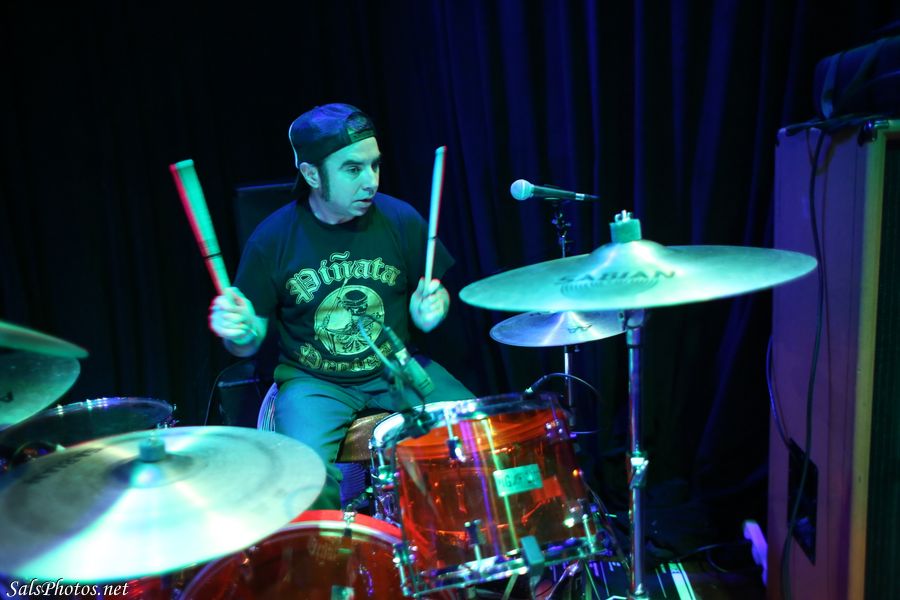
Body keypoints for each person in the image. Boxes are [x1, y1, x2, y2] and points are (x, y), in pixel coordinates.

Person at [208, 103, 472, 509]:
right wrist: (238, 333)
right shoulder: (272, 240)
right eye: (353, 169)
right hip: (315, 382)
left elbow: (433, 297)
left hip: (397, 367)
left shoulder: (401, 220)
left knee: (475, 435)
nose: (371, 181)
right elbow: (247, 341)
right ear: (312, 174)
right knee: (305, 480)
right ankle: (328, 551)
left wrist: (433, 308)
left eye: (375, 165)